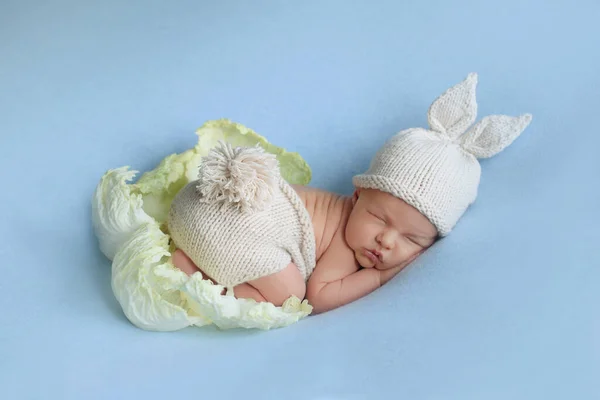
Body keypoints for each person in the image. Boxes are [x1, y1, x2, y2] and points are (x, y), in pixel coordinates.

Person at [168, 73, 532, 314]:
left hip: (189, 203)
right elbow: (321, 296)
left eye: (412, 239)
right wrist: (381, 277)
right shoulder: (344, 242)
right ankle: (200, 281)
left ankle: (193, 257)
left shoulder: (348, 219)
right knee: (288, 296)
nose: (386, 240)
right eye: (379, 218)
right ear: (356, 197)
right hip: (222, 222)